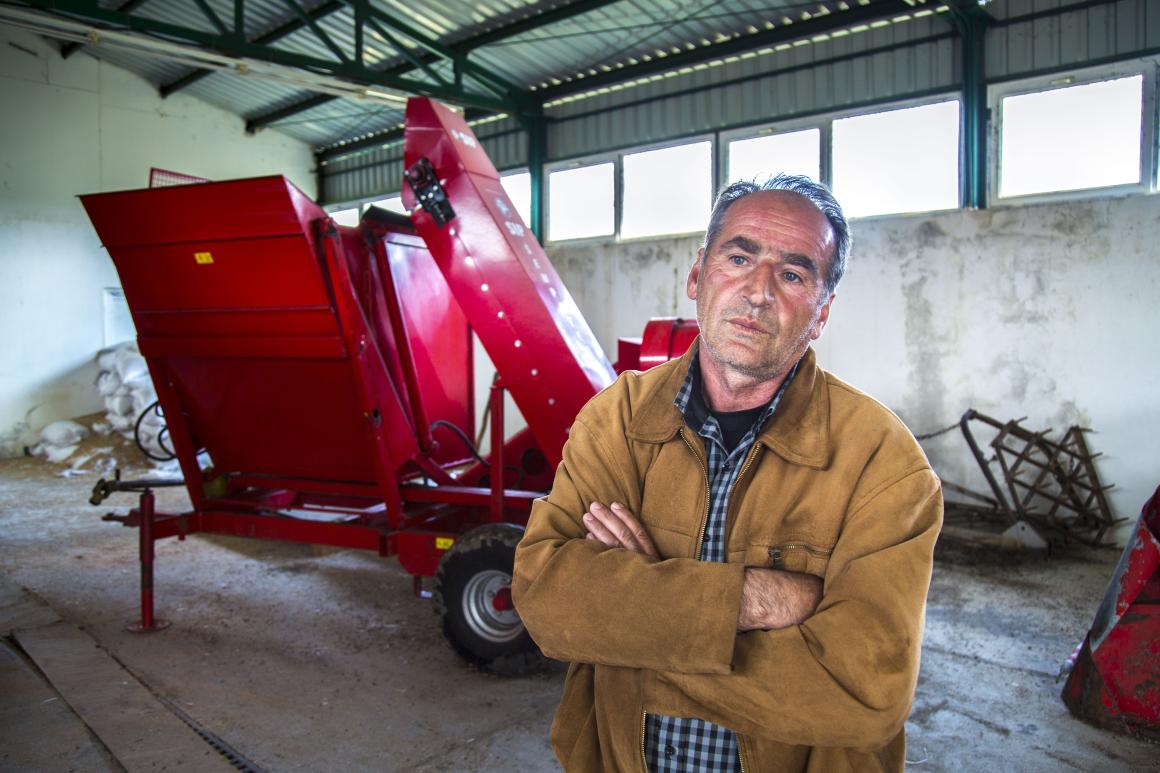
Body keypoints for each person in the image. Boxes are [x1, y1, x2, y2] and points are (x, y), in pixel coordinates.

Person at [511, 175, 943, 772]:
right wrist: (752, 601)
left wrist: (633, 625)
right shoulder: (617, 419)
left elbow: (864, 692)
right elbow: (545, 598)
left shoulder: (883, 462)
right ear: (697, 275)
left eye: (792, 275)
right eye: (739, 258)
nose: (759, 291)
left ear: (821, 313)